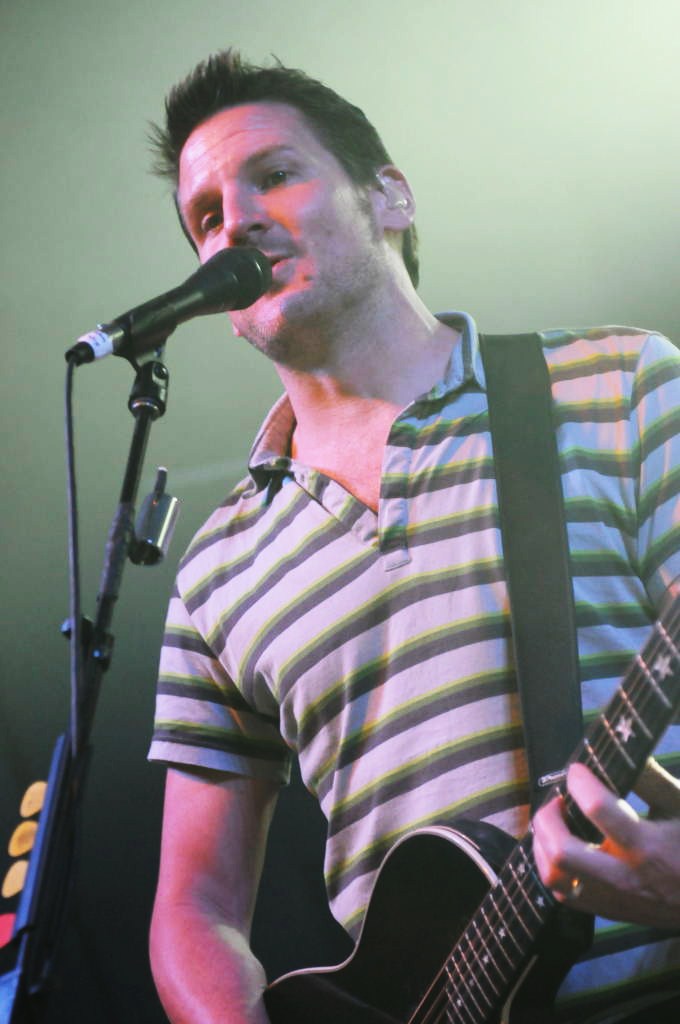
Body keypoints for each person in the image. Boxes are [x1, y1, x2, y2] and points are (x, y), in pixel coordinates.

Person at [146, 50, 680, 1024]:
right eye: (207, 217)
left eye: (275, 174)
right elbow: (195, 905)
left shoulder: (618, 384)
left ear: (389, 196)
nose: (237, 222)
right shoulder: (215, 570)